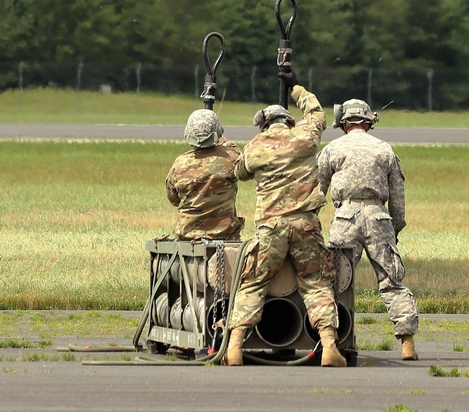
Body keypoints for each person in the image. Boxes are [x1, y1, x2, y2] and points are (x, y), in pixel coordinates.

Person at [226, 77, 346, 368]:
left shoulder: (256, 145)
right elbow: (318, 114)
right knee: (317, 283)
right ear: (288, 121)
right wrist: (298, 90)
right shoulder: (304, 135)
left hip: (270, 228)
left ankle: (234, 347)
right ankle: (329, 347)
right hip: (306, 224)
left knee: (253, 283)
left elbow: (239, 173)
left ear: (264, 125)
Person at [318, 98, 419, 361]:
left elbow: (316, 192)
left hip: (344, 218)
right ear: (367, 121)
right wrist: (393, 229)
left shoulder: (332, 148)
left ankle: (333, 343)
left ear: (343, 122)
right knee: (392, 280)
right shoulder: (384, 149)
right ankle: (407, 343)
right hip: (378, 217)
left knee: (335, 282)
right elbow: (398, 199)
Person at [164, 110, 244, 240]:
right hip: (224, 235)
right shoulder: (230, 158)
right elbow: (245, 167)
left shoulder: (179, 164)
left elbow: (173, 199)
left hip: (187, 236)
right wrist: (224, 143)